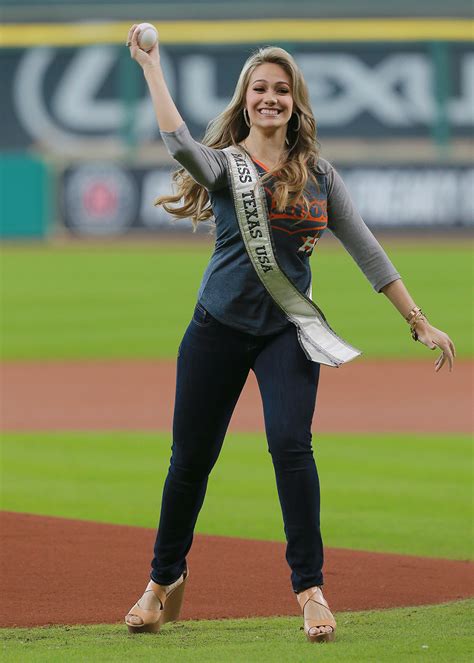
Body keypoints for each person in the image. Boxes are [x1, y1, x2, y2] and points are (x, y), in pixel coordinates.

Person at [124, 24, 456, 643]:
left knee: (291, 448)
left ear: (295, 101)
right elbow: (177, 144)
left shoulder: (320, 175)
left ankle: (310, 591)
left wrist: (418, 321)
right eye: (259, 89)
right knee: (190, 462)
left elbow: (368, 252)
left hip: (287, 332)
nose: (269, 98)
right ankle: (161, 584)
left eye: (281, 90)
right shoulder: (226, 166)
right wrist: (152, 68)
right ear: (245, 100)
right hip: (216, 330)